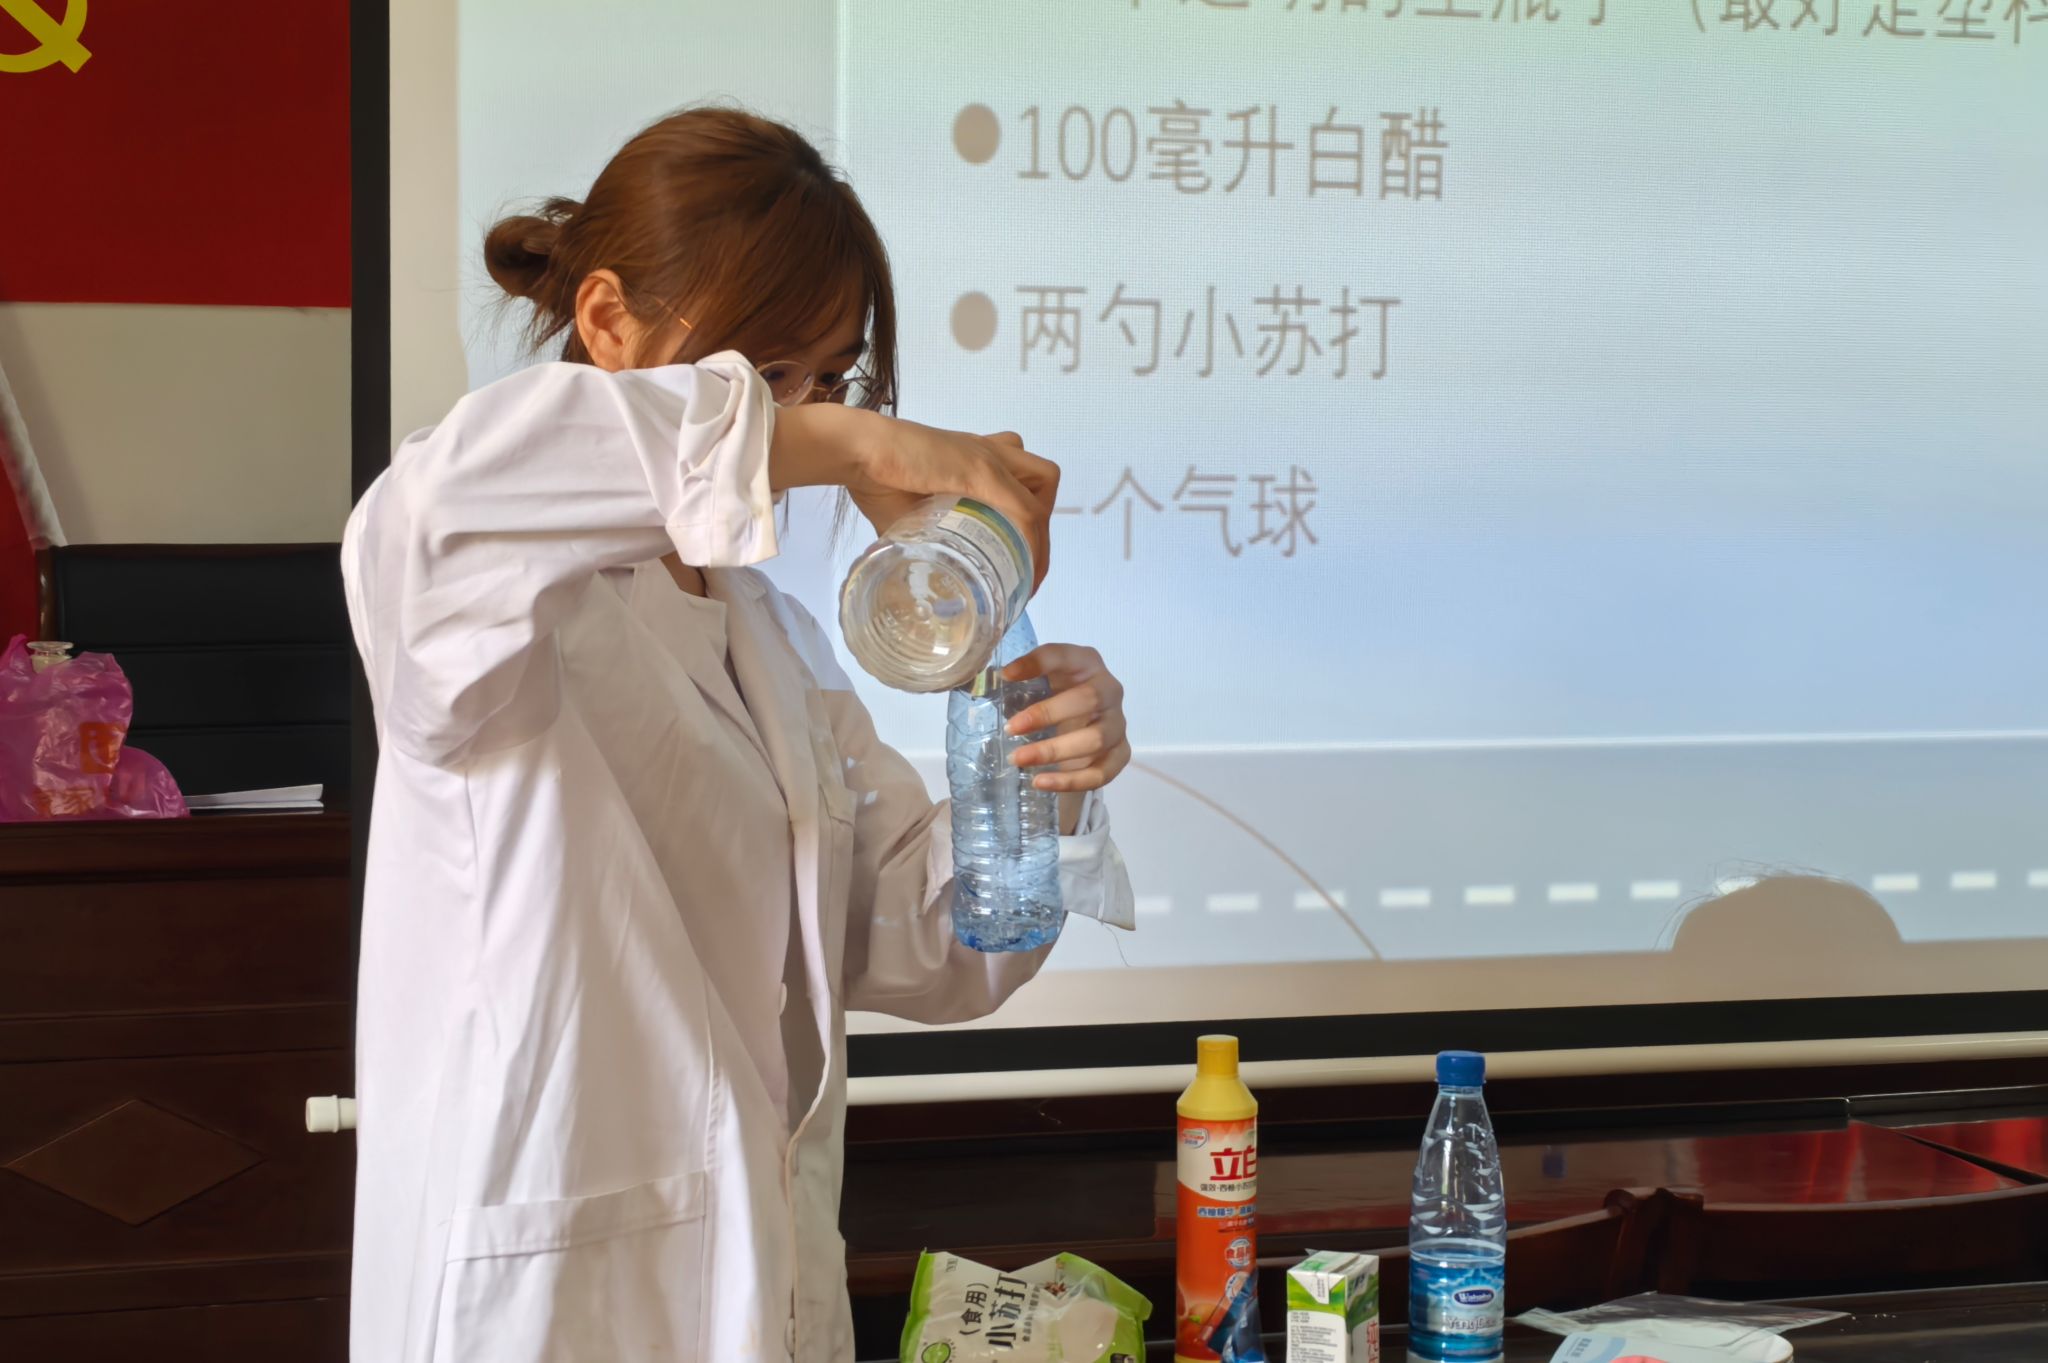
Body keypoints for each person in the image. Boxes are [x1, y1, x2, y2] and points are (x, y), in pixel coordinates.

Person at [342, 107, 1136, 1363]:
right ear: (606, 320)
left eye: (828, 378)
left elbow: (922, 945)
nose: (803, 416)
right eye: (764, 375)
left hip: (762, 1285)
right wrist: (871, 440)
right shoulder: (475, 579)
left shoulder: (771, 635)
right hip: (553, 1302)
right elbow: (462, 484)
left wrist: (1037, 762)